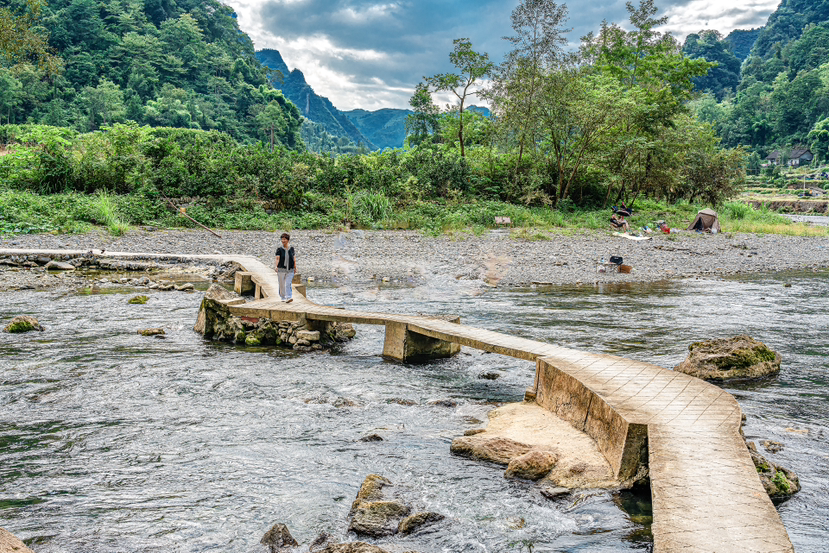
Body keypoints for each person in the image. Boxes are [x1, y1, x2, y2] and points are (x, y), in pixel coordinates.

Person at [275, 232, 296, 303]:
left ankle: (288, 297)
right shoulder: (279, 249)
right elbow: (277, 258)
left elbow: (294, 258)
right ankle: (283, 296)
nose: (283, 241)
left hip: (290, 269)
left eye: (284, 239)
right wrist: (276, 266)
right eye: (282, 239)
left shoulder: (292, 249)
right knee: (281, 284)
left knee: (288, 283)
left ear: (288, 240)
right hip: (281, 269)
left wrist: (295, 267)